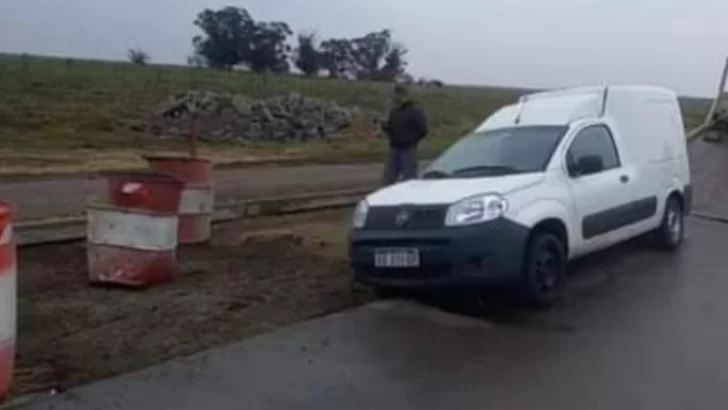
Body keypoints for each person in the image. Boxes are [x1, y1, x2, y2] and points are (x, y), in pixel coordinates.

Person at [381, 84, 429, 186]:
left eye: (399, 95)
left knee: (409, 178)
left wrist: (412, 141)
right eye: (396, 95)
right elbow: (391, 130)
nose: (397, 97)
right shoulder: (394, 112)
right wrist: (385, 127)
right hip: (394, 148)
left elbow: (423, 130)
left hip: (408, 149)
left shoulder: (415, 111)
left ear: (405, 96)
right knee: (389, 178)